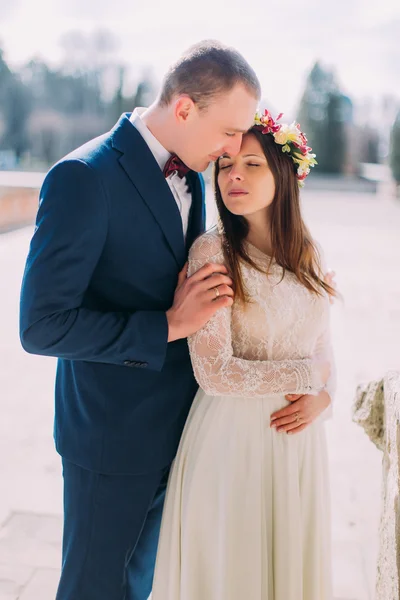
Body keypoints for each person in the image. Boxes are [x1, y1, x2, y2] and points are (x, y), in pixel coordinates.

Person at [19, 40, 260, 600]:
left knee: (138, 588)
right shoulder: (83, 176)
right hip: (110, 440)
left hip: (175, 432)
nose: (233, 147)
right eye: (228, 131)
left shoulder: (194, 175)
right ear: (183, 109)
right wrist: (168, 326)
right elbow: (41, 325)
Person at [151, 110, 337, 600]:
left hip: (298, 445)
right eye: (226, 163)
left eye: (252, 164)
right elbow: (214, 372)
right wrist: (307, 376)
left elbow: (322, 346)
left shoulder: (309, 254)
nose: (234, 174)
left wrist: (324, 397)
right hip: (233, 442)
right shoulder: (213, 254)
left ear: (285, 173)